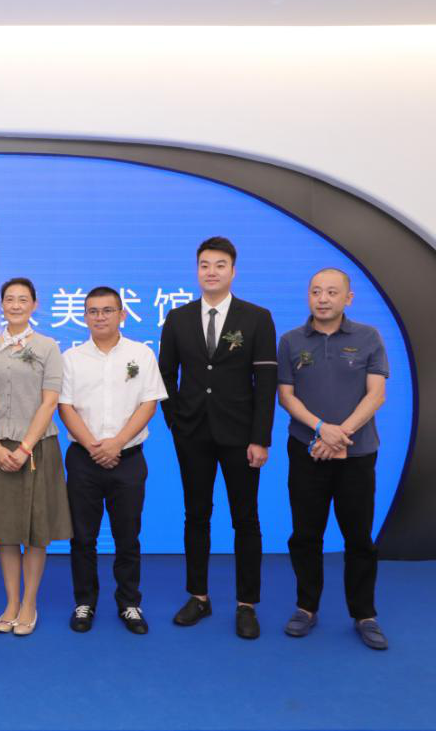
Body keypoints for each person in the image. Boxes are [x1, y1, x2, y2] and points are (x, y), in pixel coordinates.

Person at [157, 236, 278, 639]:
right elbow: (165, 375)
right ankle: (199, 596)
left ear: (233, 271)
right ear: (197, 270)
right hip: (192, 433)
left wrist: (261, 438)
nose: (211, 272)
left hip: (241, 436)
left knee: (246, 519)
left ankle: (247, 604)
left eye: (220, 265)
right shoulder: (178, 318)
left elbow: (266, 383)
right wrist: (175, 422)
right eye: (205, 265)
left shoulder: (257, 317)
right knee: (196, 515)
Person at [277, 268, 390, 650]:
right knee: (305, 535)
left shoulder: (368, 337)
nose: (322, 299)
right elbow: (286, 396)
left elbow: (376, 395)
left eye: (331, 292)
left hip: (357, 453)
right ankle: (306, 607)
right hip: (306, 450)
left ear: (348, 298)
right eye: (315, 291)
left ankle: (364, 613)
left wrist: (340, 434)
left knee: (358, 538)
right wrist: (321, 429)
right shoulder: (291, 341)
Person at [58, 286, 169, 635]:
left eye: (107, 310)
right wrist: (94, 446)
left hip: (129, 458)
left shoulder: (141, 354)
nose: (100, 317)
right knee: (82, 537)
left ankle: (129, 603)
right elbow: (65, 406)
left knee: (128, 536)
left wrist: (117, 443)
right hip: (83, 459)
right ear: (84, 316)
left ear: (122, 314)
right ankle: (84, 602)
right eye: (93, 311)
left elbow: (149, 403)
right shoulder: (71, 358)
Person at [0, 278, 71, 636]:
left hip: (37, 448)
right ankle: (11, 602)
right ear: (1, 305)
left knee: (35, 531)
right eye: (10, 299)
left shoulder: (48, 347)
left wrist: (25, 446)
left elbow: (50, 401)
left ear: (34, 304)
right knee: (6, 530)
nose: (15, 305)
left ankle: (29, 603)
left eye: (23, 299)